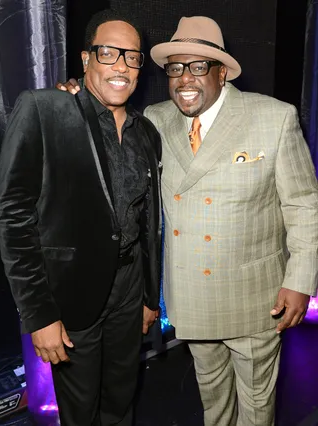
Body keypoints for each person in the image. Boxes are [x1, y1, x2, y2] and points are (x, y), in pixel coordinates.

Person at [59, 15, 318, 426]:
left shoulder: (274, 117)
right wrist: (73, 99)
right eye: (175, 68)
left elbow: (304, 205)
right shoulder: (156, 120)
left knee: (256, 408)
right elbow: (107, 135)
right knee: (212, 400)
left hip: (255, 298)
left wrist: (300, 280)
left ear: (222, 72)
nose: (185, 79)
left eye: (198, 67)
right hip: (192, 296)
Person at [0, 10, 162, 426]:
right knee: (81, 410)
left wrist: (147, 297)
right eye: (109, 53)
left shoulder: (147, 133)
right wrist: (38, 315)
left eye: (133, 57)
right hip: (70, 297)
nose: (122, 65)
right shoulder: (44, 108)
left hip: (130, 291)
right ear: (86, 59)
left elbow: (145, 223)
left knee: (122, 399)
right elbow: (14, 218)